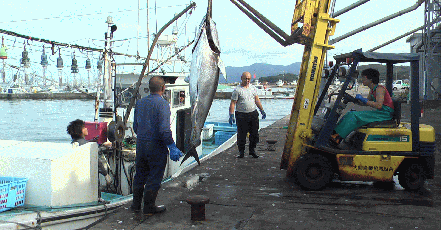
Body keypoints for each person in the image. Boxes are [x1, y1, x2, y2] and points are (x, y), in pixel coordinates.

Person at [131, 76, 183, 215]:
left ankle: (135, 205)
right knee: (154, 176)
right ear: (163, 88)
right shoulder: (163, 104)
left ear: (150, 88)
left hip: (141, 145)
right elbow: (164, 130)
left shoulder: (140, 103)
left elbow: (135, 126)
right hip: (156, 146)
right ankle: (149, 207)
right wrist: (171, 146)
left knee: (140, 175)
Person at [331, 68, 394, 144]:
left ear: (370, 79)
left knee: (354, 115)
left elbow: (379, 105)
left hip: (385, 114)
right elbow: (366, 103)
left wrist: (364, 100)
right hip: (380, 113)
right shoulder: (372, 90)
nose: (362, 79)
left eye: (364, 78)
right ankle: (334, 133)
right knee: (350, 113)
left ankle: (338, 138)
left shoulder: (379, 89)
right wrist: (356, 100)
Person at [229, 72, 266, 158]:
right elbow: (233, 103)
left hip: (253, 114)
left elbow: (257, 100)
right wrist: (231, 115)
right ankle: (241, 152)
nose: (247, 80)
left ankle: (252, 151)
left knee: (254, 134)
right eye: (245, 78)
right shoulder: (237, 90)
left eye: (249, 79)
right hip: (241, 115)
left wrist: (262, 110)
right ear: (241, 78)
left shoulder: (253, 88)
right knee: (241, 135)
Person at [66, 119, 113, 186]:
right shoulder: (88, 146)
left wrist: (93, 141)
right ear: (81, 131)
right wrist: (106, 174)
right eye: (84, 127)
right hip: (89, 180)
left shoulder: (73, 144)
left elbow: (82, 143)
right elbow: (97, 162)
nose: (86, 129)